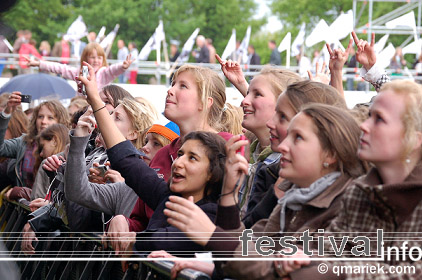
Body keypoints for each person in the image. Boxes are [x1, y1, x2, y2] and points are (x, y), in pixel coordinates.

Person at [160, 103, 366, 279]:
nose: (284, 146)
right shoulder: (295, 200)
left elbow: (275, 270)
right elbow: (247, 249)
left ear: (330, 154)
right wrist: (229, 193)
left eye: (298, 138)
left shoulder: (349, 207)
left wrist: (213, 236)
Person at [278, 79, 422, 279]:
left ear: (414, 139)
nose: (364, 126)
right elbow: (329, 248)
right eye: (369, 115)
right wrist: (302, 258)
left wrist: (329, 271)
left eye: (379, 119)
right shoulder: (359, 193)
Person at [0, 93, 69, 199]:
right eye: (40, 116)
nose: (43, 122)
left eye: (50, 118)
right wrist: (6, 114)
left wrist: (22, 192)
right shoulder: (24, 142)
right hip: (23, 209)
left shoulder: (67, 148)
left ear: (60, 122)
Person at [25, 42, 133, 93]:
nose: (96, 60)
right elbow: (60, 68)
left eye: (99, 58)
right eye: (92, 57)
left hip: (100, 108)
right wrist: (39, 63)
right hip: (82, 107)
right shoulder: (79, 72)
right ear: (85, 58)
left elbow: (113, 69)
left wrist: (122, 67)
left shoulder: (104, 73)